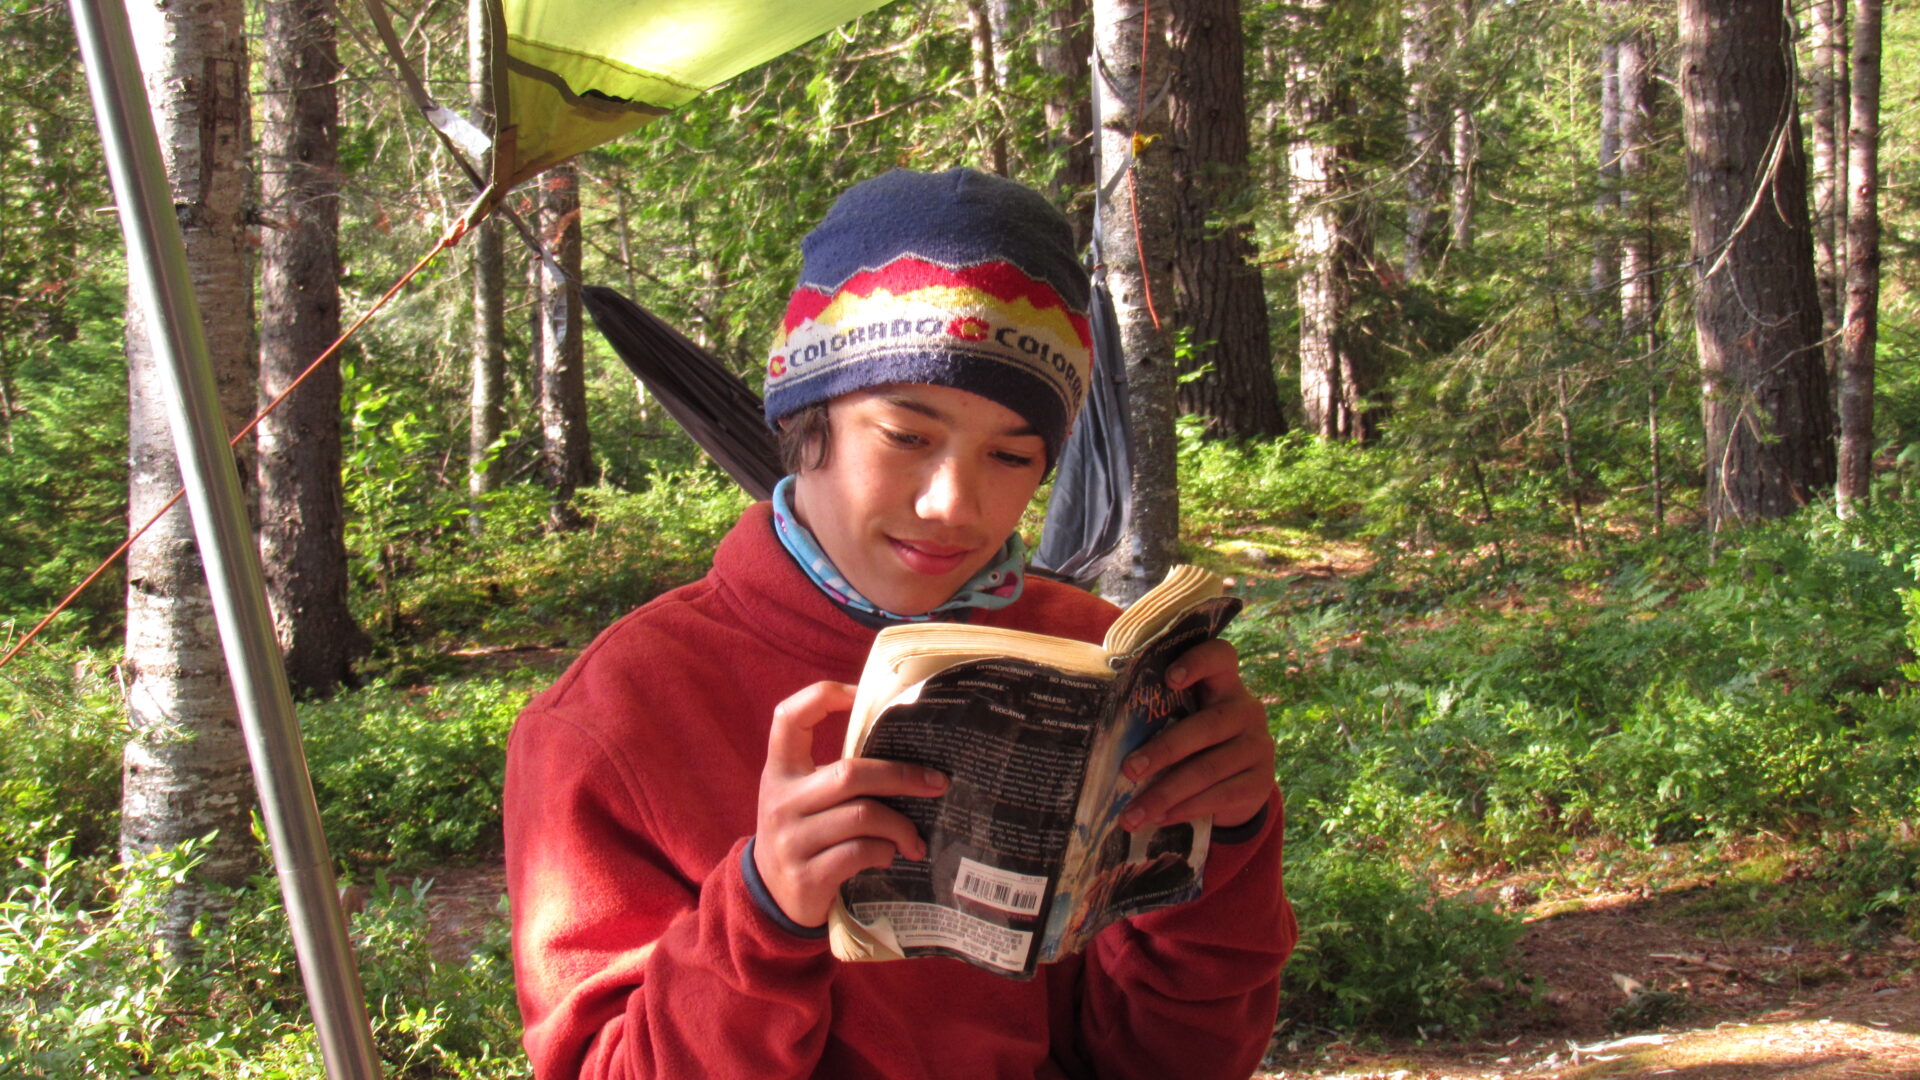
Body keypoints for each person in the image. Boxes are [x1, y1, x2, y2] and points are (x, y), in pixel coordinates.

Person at [504, 167, 1296, 1080]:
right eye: (907, 435)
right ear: (811, 419)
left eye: (1011, 454)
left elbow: (1172, 1062)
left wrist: (1222, 846)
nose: (954, 505)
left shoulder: (1088, 657)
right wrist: (763, 915)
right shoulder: (616, 717)